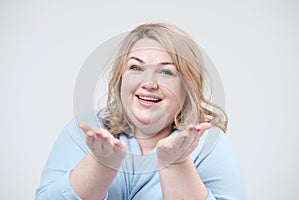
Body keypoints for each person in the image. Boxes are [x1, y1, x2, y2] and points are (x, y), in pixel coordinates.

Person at [35, 23, 246, 200]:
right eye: (136, 68)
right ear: (120, 78)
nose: (149, 83)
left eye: (166, 72)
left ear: (187, 87)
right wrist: (101, 163)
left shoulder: (206, 144)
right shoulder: (89, 129)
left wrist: (177, 163)